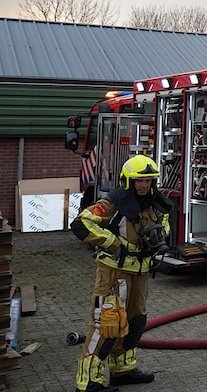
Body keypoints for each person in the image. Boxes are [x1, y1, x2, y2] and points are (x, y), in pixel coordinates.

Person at [69, 154, 173, 392]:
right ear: (128, 181)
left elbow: (165, 220)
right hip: (114, 274)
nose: (144, 185)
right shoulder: (113, 202)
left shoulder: (155, 200)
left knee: (136, 321)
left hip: (141, 272)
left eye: (148, 180)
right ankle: (88, 382)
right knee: (107, 323)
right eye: (139, 180)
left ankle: (123, 369)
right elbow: (81, 223)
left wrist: (159, 234)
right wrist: (115, 243)